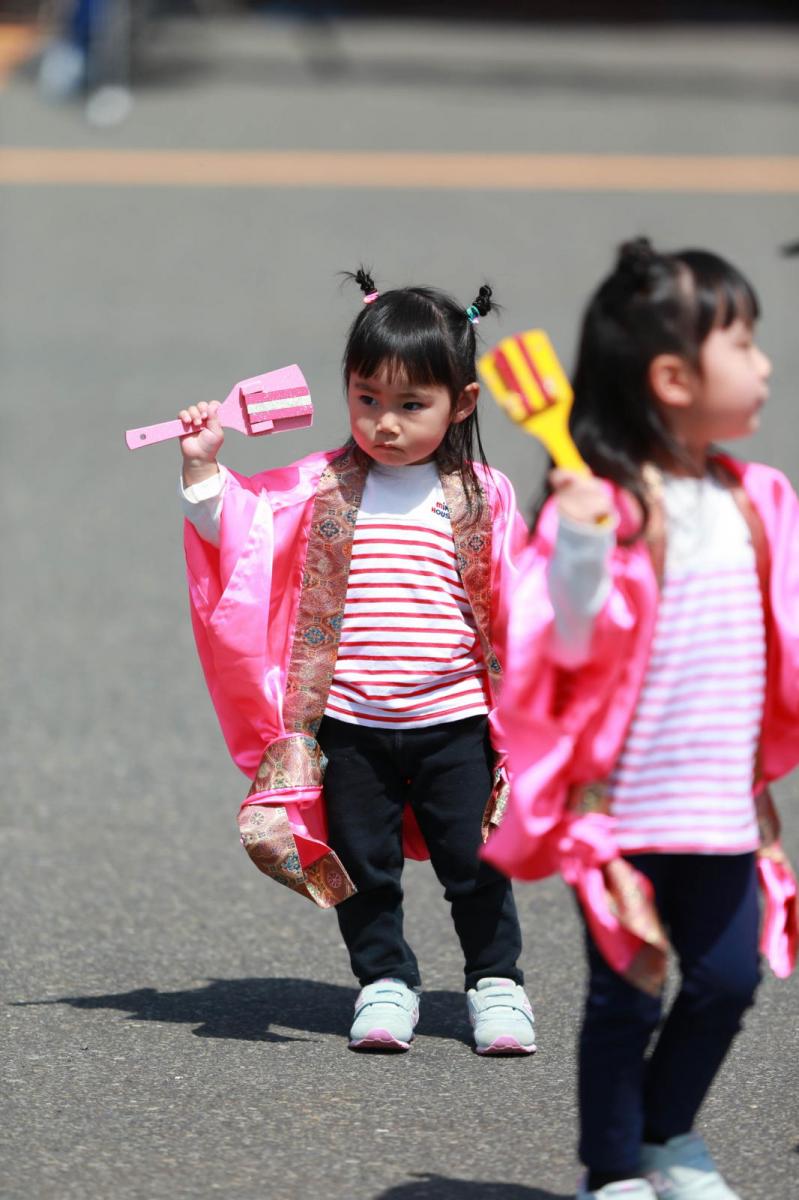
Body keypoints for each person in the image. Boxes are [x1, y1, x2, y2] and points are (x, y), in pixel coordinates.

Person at [483, 239, 799, 1198]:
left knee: (726, 985)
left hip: (721, 810)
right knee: (626, 996)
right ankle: (612, 1170)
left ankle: (667, 1135)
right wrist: (578, 542)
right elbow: (565, 636)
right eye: (741, 344)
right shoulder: (612, 507)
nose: (764, 365)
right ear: (671, 378)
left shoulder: (757, 499)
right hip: (620, 817)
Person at [178, 269, 536, 1055]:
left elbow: (529, 596)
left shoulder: (482, 497)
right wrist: (205, 466)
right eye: (367, 398)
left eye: (412, 405)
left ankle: (495, 984)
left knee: (475, 864)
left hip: (455, 724)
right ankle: (384, 981)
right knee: (363, 866)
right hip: (351, 726)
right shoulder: (318, 487)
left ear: (461, 404)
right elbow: (237, 533)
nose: (386, 423)